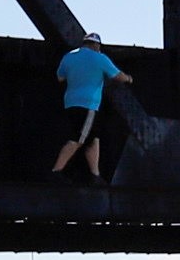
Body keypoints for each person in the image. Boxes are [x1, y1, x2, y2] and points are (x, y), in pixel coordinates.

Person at [51, 35, 129, 176]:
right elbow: (118, 76)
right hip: (88, 104)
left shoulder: (69, 57)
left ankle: (95, 175)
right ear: (96, 46)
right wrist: (129, 78)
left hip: (70, 103)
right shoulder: (100, 58)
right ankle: (56, 171)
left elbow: (60, 77)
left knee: (93, 138)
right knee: (78, 139)